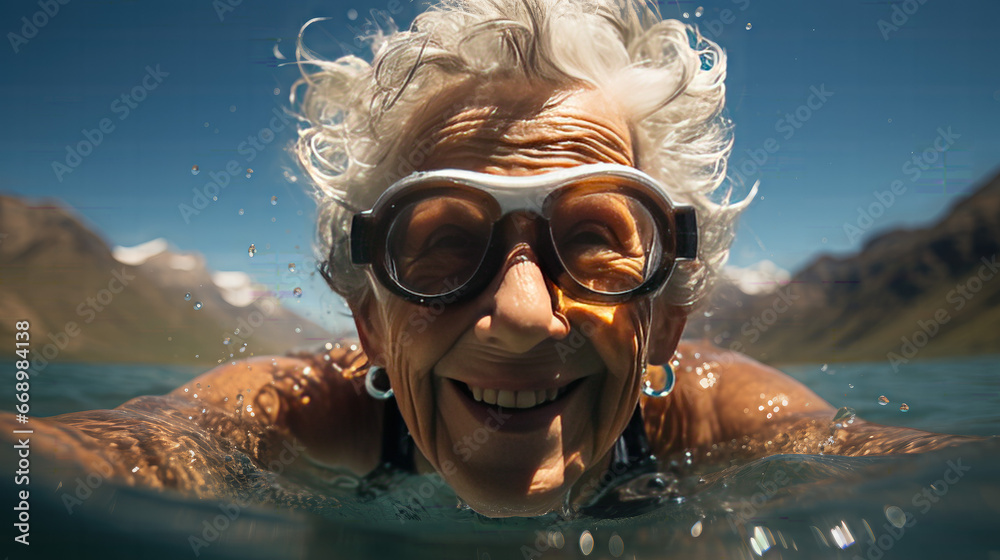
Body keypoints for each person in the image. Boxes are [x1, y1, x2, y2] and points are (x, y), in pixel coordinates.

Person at [1, 0, 975, 519]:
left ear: (669, 311)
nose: (519, 311)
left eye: (596, 241)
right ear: (369, 318)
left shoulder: (713, 417)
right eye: (445, 244)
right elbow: (110, 448)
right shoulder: (309, 407)